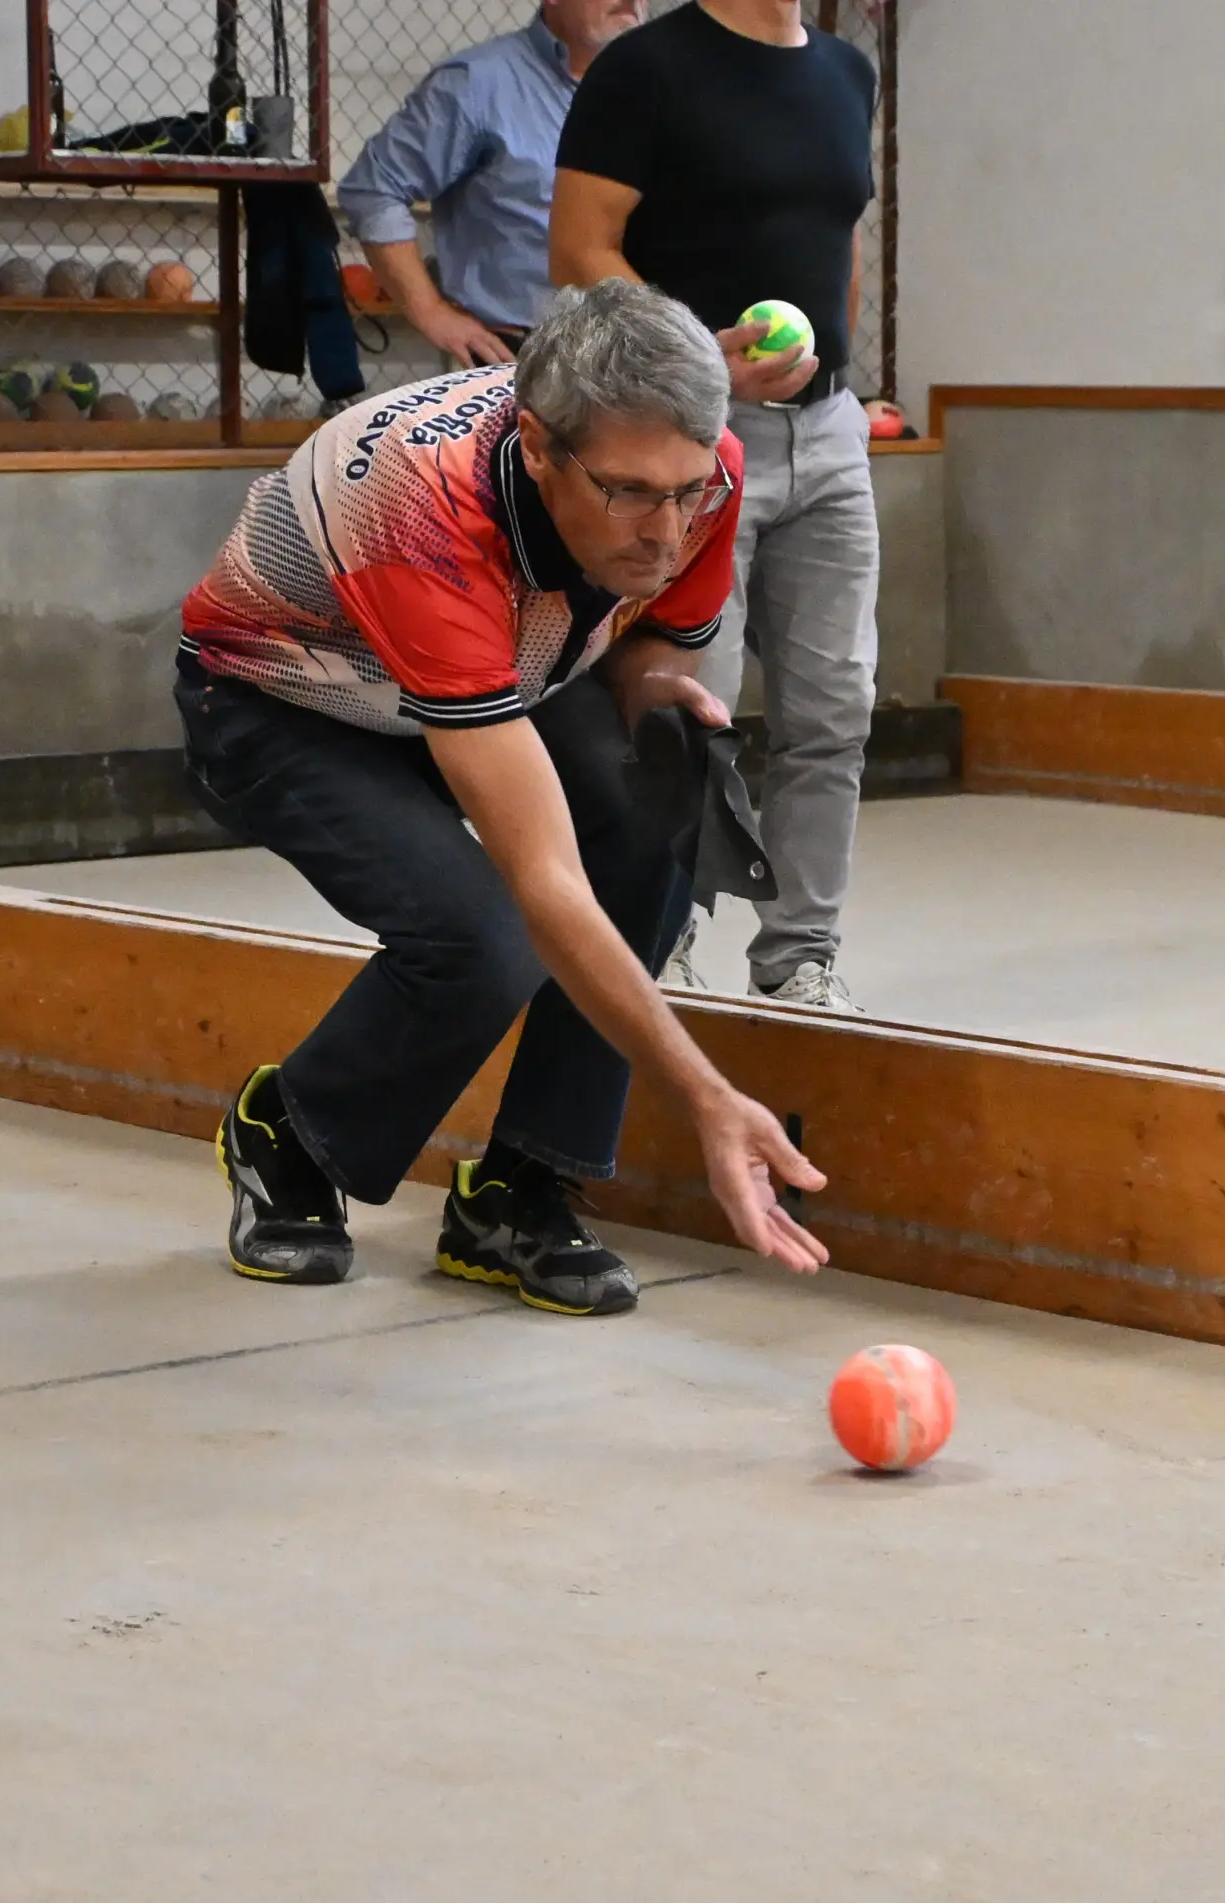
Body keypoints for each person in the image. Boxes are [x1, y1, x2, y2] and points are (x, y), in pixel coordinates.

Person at [175, 280, 830, 1317]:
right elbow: (545, 882)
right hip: (283, 696)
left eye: (686, 490)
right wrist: (706, 1097)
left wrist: (656, 694)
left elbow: (655, 643)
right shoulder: (419, 510)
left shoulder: (698, 471)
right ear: (536, 450)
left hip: (500, 674)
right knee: (482, 938)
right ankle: (287, 1129)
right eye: (630, 494)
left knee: (664, 793)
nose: (667, 531)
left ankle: (522, 1187)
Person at [549, 0, 880, 1013]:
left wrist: (841, 380)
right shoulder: (645, 68)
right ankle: (664, 937)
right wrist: (698, 359)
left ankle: (799, 956)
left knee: (836, 707)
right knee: (689, 704)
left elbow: (840, 244)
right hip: (690, 437)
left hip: (830, 433)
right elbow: (580, 250)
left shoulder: (847, 74)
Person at [337, 0, 648, 370]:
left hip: (643, 357)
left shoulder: (661, 88)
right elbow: (375, 187)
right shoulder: (478, 84)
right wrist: (430, 310)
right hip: (522, 360)